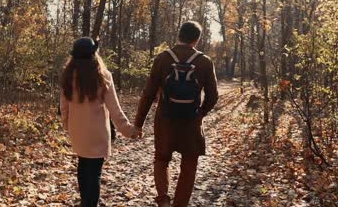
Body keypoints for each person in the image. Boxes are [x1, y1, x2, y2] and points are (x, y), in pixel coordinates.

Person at [134, 21, 219, 207]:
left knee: (161, 159)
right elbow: (213, 96)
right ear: (197, 39)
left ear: (179, 35)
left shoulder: (162, 59)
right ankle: (180, 204)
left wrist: (138, 123)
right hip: (191, 122)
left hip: (165, 119)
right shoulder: (204, 61)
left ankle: (163, 199)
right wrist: (200, 114)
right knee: (189, 164)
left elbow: (148, 94)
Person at [60, 37, 141, 207]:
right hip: (97, 134)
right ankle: (90, 204)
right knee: (94, 172)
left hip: (78, 132)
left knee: (83, 167)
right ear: (94, 55)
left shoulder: (68, 76)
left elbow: (64, 107)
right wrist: (129, 130)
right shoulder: (103, 76)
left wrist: (67, 126)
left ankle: (85, 202)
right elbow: (115, 110)